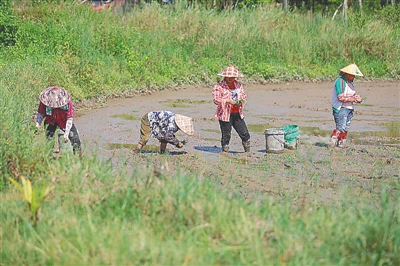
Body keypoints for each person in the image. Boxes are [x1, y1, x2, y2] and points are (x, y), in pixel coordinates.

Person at [212, 64, 250, 153]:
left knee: (245, 134)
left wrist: (242, 101)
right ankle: (225, 152)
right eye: (229, 77)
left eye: (233, 77)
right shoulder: (219, 86)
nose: (231, 78)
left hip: (237, 113)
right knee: (226, 135)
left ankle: (247, 152)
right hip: (225, 115)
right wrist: (227, 101)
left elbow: (243, 96)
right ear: (225, 76)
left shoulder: (238, 85)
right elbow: (216, 100)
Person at [36, 86, 82, 156]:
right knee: (49, 139)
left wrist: (66, 134)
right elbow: (41, 113)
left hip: (64, 121)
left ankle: (78, 156)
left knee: (75, 138)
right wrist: (37, 124)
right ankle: (49, 158)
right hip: (50, 120)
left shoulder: (67, 102)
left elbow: (69, 118)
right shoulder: (45, 100)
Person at [329, 63, 364, 148]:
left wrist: (356, 97)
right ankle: (332, 143)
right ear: (348, 74)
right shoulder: (340, 81)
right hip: (341, 108)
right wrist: (353, 99)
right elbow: (340, 97)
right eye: (353, 75)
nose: (354, 77)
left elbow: (351, 95)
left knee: (346, 128)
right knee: (341, 127)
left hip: (349, 109)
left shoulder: (350, 83)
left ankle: (341, 143)